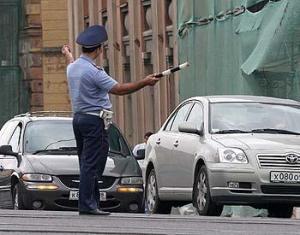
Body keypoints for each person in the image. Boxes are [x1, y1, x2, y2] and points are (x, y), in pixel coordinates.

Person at [62, 25, 160, 216]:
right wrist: (145, 82)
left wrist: (67, 53)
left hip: (79, 119)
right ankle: (88, 204)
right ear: (98, 49)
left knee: (88, 161)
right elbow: (120, 89)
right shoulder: (94, 72)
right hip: (93, 122)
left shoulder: (73, 68)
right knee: (92, 163)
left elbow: (70, 62)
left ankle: (92, 201)